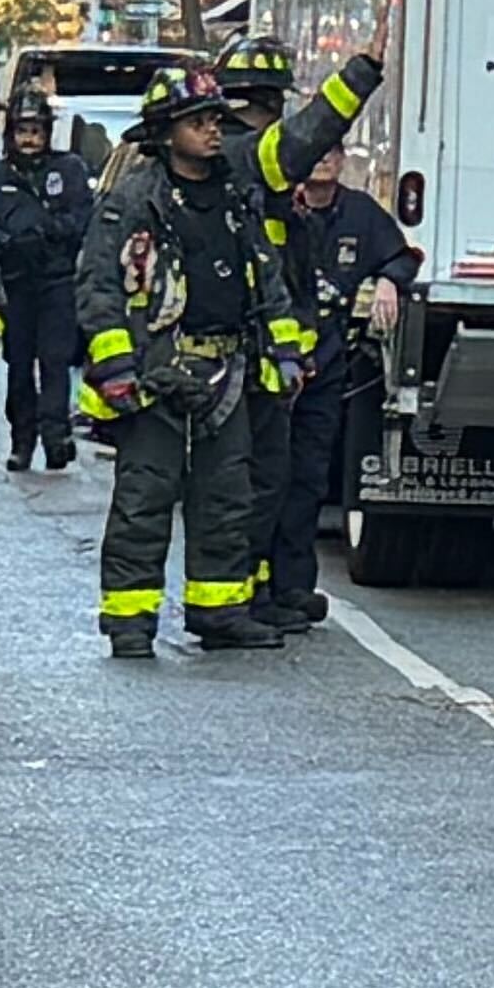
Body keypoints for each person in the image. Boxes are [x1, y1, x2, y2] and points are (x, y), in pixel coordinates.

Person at [80, 54, 363, 656]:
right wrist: (117, 370)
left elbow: (269, 279)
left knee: (227, 498)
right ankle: (129, 622)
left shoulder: (237, 192)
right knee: (144, 498)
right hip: (158, 371)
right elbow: (99, 288)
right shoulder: (132, 201)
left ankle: (219, 611)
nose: (215, 128)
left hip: (228, 370)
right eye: (199, 119)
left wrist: (284, 354)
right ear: (165, 131)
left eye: (216, 117)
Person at [254, 138, 412, 633]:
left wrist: (389, 279)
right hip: (271, 371)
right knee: (262, 480)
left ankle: (294, 588)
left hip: (325, 369)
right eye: (315, 151)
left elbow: (403, 255)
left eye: (333, 152)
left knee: (307, 480)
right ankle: (251, 587)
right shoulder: (274, 209)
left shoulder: (361, 214)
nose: (323, 159)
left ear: (344, 161)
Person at [0, 92, 92, 476]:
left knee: (55, 361)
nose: (29, 139)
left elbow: (85, 216)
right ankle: (22, 441)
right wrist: (5, 243)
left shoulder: (68, 169)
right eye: (22, 130)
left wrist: (53, 232)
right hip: (15, 284)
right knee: (18, 366)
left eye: (36, 130)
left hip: (57, 281)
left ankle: (57, 438)